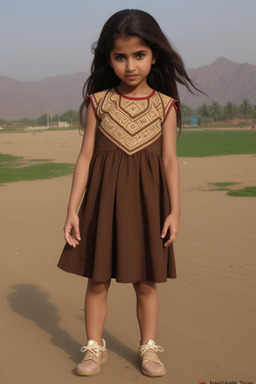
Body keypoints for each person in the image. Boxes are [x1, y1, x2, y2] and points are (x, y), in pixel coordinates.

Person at [58, 9, 200, 377]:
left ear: (154, 55)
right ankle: (94, 348)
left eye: (139, 55)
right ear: (108, 58)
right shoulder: (98, 102)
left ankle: (148, 349)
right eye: (120, 57)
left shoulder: (165, 105)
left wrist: (176, 211)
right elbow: (86, 157)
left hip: (148, 205)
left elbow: (169, 161)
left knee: (146, 281)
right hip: (102, 204)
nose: (130, 65)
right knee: (97, 279)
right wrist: (72, 209)